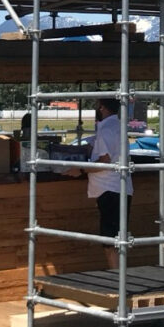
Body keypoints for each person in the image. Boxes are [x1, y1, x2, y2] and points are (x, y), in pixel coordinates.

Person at [65, 97, 131, 270]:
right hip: (118, 188)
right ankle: (120, 277)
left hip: (109, 189)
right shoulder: (117, 127)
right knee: (117, 239)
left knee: (110, 242)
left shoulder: (107, 130)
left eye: (96, 106)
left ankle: (118, 280)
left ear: (102, 108)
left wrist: (81, 169)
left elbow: (105, 161)